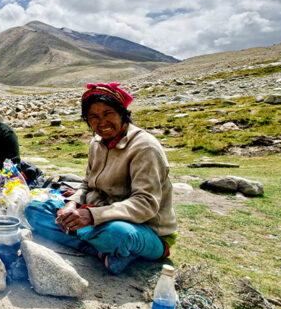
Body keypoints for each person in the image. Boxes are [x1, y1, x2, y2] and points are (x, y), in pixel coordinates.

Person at [25, 83, 177, 275]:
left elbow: (145, 204)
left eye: (108, 113)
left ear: (122, 113)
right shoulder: (96, 144)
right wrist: (71, 205)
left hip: (142, 228)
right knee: (34, 210)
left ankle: (104, 244)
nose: (102, 122)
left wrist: (91, 216)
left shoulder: (144, 148)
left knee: (117, 234)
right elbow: (87, 185)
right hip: (95, 217)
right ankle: (101, 250)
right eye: (94, 117)